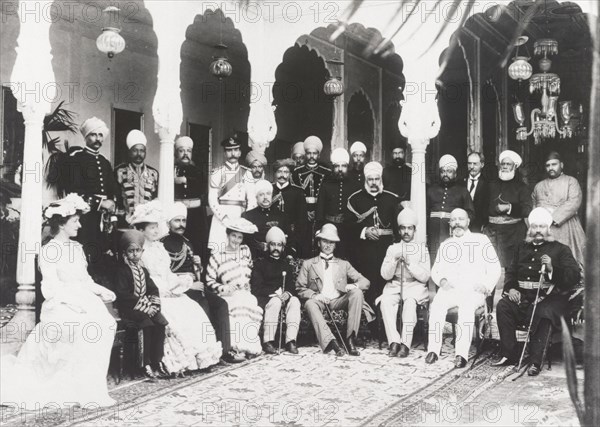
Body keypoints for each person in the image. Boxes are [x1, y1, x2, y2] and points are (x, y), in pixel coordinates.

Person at [1, 194, 117, 408]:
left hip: (82, 299)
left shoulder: (76, 248)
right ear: (62, 224)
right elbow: (51, 288)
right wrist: (74, 303)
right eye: (75, 221)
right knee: (84, 329)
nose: (79, 225)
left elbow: (85, 279)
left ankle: (90, 387)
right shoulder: (49, 250)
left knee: (106, 324)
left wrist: (102, 290)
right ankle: (76, 388)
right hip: (59, 305)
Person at [129, 201, 222, 374]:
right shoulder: (140, 251)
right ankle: (176, 361)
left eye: (157, 227)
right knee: (175, 313)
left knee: (192, 308)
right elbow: (144, 278)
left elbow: (168, 273)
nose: (156, 231)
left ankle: (199, 357)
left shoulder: (160, 248)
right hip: (153, 293)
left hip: (168, 288)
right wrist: (164, 291)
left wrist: (180, 282)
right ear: (141, 230)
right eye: (152, 228)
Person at [494, 207, 580, 376]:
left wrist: (551, 269)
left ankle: (535, 361)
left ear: (548, 228)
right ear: (530, 229)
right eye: (534, 227)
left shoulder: (561, 249)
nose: (538, 230)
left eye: (541, 227)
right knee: (504, 305)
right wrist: (511, 288)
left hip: (550, 297)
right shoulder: (520, 247)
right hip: (523, 297)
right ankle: (509, 354)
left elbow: (574, 276)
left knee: (543, 311)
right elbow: (511, 272)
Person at [160, 202, 244, 363]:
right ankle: (207, 353)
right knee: (204, 304)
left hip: (195, 285)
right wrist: (189, 285)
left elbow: (197, 273)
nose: (181, 225)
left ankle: (225, 351)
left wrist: (198, 266)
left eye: (183, 221)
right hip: (177, 289)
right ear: (168, 222)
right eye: (177, 221)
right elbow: (165, 276)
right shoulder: (162, 244)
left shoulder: (187, 243)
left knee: (220, 304)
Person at [425, 208, 501, 368]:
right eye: (453, 220)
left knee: (466, 309)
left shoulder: (481, 240)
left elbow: (495, 267)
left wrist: (486, 285)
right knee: (437, 304)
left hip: (473, 291)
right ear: (450, 223)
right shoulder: (446, 244)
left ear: (468, 222)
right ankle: (433, 350)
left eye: (461, 219)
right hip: (451, 289)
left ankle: (461, 354)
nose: (457, 223)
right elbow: (436, 269)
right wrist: (442, 280)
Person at [296, 224, 370, 357]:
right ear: (319, 242)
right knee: (309, 304)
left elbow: (365, 282)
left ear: (335, 245)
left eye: (331, 242)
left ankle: (350, 339)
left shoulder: (344, 264)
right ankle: (331, 341)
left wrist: (354, 286)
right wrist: (315, 295)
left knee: (357, 293)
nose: (328, 245)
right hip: (320, 301)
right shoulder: (308, 264)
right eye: (325, 241)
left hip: (338, 300)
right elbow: (300, 288)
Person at [62, 117, 119, 279]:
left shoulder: (104, 162)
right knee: (86, 254)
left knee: (103, 254)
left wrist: (112, 205)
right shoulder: (77, 159)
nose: (98, 139)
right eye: (94, 135)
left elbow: (112, 189)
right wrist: (101, 203)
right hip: (85, 218)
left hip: (103, 219)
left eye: (100, 135)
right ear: (86, 137)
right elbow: (74, 191)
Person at [206, 218, 264, 359]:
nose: (236, 240)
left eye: (239, 237)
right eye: (233, 235)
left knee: (251, 303)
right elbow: (209, 280)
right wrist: (224, 288)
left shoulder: (245, 251)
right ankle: (237, 348)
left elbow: (249, 269)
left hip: (245, 293)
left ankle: (250, 347)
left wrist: (247, 283)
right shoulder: (217, 255)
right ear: (227, 235)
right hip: (228, 295)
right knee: (239, 305)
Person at [114, 230, 168, 379]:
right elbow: (123, 294)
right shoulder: (122, 271)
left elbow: (153, 288)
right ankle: (144, 363)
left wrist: (154, 306)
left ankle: (157, 360)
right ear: (125, 253)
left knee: (161, 322)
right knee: (146, 324)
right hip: (130, 309)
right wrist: (145, 306)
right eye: (131, 251)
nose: (135, 254)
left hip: (145, 307)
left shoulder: (143, 270)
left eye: (138, 250)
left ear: (142, 251)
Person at [377, 208, 430, 357]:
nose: (406, 232)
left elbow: (426, 276)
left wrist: (410, 265)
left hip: (414, 286)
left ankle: (405, 344)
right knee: (386, 302)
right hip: (394, 285)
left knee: (410, 303)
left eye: (409, 228)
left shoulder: (422, 249)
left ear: (414, 230)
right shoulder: (392, 248)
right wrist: (394, 261)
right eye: (403, 228)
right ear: (399, 230)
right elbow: (385, 275)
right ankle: (394, 342)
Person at [347, 161, 400, 310]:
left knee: (385, 285)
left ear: (381, 179)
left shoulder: (391, 199)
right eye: (370, 179)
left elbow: (397, 228)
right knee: (368, 285)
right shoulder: (355, 199)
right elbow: (348, 226)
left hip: (386, 250)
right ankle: (369, 321)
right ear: (366, 180)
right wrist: (364, 231)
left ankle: (383, 323)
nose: (373, 183)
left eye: (376, 179)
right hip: (364, 252)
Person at [251, 227, 300, 354]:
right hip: (267, 298)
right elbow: (256, 288)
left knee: (295, 301)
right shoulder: (259, 264)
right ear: (268, 246)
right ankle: (268, 341)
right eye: (273, 244)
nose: (276, 248)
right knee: (275, 302)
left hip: (282, 298)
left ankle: (291, 341)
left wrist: (287, 294)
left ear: (283, 248)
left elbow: (291, 286)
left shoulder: (286, 265)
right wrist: (276, 294)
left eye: (279, 245)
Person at [532, 151, 586, 269]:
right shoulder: (539, 186)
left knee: (569, 259)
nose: (551, 168)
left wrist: (553, 217)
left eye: (554, 164)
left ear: (561, 165)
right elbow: (534, 207)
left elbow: (574, 202)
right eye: (548, 165)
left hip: (566, 227)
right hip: (544, 228)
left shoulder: (571, 181)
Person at [487, 150, 532, 267]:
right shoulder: (491, 184)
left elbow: (527, 209)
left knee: (510, 268)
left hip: (514, 234)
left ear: (515, 167)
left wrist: (509, 207)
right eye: (503, 164)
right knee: (490, 266)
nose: (505, 167)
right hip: (492, 232)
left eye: (508, 164)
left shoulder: (522, 187)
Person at [208, 135, 250, 254]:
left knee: (238, 256)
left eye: (236, 150)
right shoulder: (217, 173)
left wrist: (244, 219)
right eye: (229, 150)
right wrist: (223, 217)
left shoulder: (247, 173)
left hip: (239, 216)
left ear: (240, 152)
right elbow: (212, 199)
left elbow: (251, 200)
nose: (233, 153)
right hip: (221, 218)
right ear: (225, 153)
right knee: (218, 254)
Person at [426, 154, 474, 260]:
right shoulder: (431, 190)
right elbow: (424, 213)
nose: (445, 174)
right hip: (433, 231)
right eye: (443, 171)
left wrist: (459, 225)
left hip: (452, 230)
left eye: (449, 171)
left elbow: (470, 213)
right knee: (433, 257)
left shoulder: (462, 191)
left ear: (455, 173)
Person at [316, 148, 361, 259]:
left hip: (349, 229)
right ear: (333, 167)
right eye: (337, 166)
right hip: (329, 227)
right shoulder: (326, 184)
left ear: (347, 167)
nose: (340, 169)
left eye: (343, 166)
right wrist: (319, 228)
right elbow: (320, 208)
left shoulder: (354, 185)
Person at [292, 135, 331, 257]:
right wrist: (305, 211)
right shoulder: (297, 171)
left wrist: (317, 211)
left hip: (320, 212)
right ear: (305, 154)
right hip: (302, 212)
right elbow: (296, 195)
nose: (312, 157)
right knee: (303, 241)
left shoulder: (326, 172)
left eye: (315, 153)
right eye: (309, 153)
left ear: (319, 155)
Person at [174, 136, 209, 259]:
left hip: (196, 216)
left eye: (188, 151)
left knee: (197, 246)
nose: (185, 154)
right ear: (176, 152)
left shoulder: (199, 171)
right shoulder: (171, 170)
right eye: (181, 151)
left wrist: (185, 180)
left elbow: (203, 190)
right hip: (177, 216)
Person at [114, 129, 159, 223]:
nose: (139, 154)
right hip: (125, 221)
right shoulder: (119, 171)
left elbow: (156, 198)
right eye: (135, 150)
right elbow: (116, 196)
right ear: (129, 152)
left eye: (142, 151)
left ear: (145, 152)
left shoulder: (153, 173)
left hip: (147, 221)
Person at [242, 179, 290, 259]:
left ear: (271, 195)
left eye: (268, 194)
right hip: (256, 258)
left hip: (278, 258)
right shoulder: (247, 216)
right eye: (261, 194)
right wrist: (258, 246)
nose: (265, 197)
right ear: (256, 197)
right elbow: (244, 241)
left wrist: (289, 254)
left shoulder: (282, 215)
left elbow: (290, 239)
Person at [271, 158, 307, 257]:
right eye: (279, 172)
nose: (282, 175)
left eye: (286, 172)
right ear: (275, 173)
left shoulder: (298, 192)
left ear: (290, 174)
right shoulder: (269, 189)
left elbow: (302, 221)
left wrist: (295, 243)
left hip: (291, 236)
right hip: (271, 234)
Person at [465, 151, 489, 232]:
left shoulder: (487, 184)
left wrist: (484, 225)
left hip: (479, 227)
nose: (471, 167)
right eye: (469, 163)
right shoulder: (460, 183)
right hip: (462, 226)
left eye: (475, 164)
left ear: (482, 165)